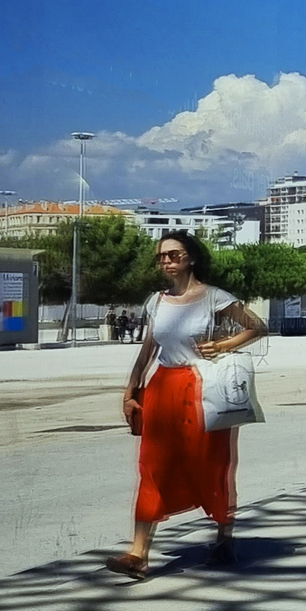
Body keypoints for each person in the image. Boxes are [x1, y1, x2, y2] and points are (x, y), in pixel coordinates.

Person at [110, 231, 267, 580]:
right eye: (162, 256)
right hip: (163, 386)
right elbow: (148, 348)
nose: (166, 261)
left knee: (215, 463)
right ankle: (138, 554)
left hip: (205, 388)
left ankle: (224, 539)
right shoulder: (156, 301)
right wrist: (131, 390)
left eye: (174, 255)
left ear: (191, 258)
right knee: (152, 465)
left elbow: (257, 326)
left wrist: (224, 345)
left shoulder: (213, 297)